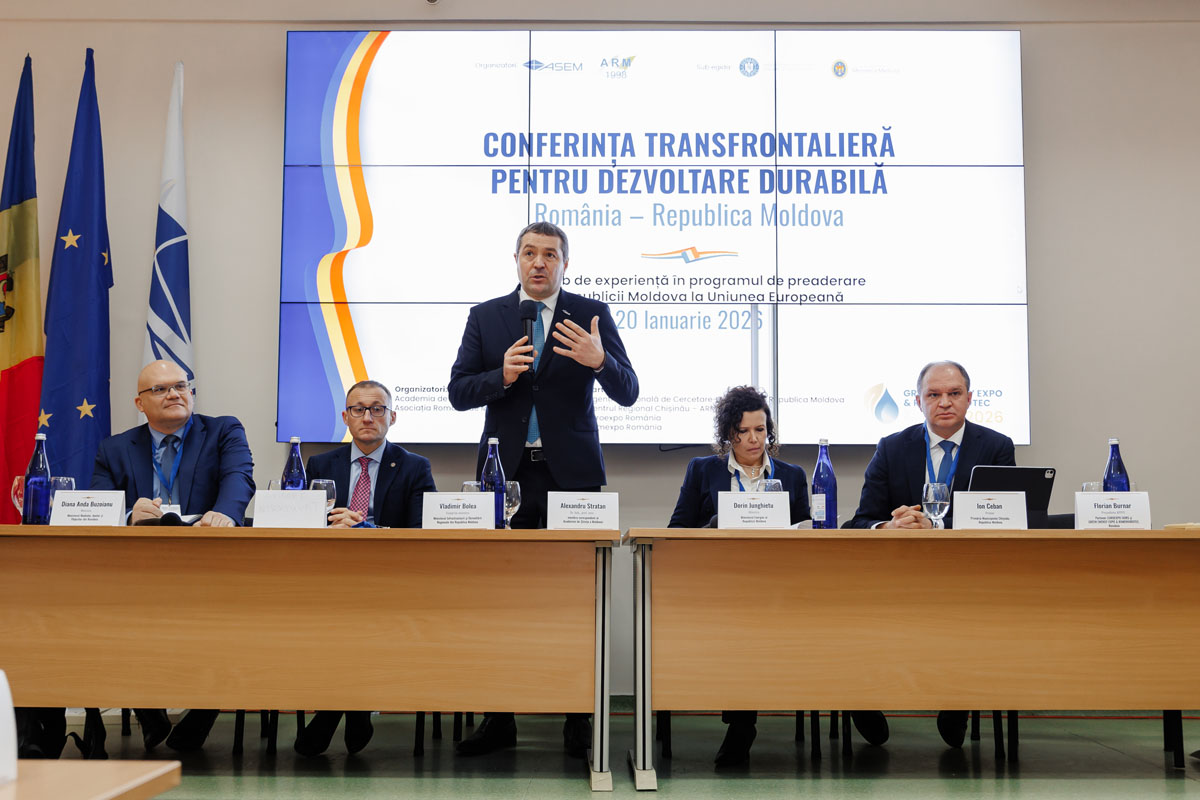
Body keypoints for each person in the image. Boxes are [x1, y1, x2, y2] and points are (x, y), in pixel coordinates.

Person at [447, 221, 638, 758]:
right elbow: (458, 392)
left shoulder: (590, 313)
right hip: (503, 477)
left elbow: (629, 391)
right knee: (499, 601)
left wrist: (600, 361)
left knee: (580, 601)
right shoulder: (486, 316)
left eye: (550, 254)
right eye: (529, 253)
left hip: (572, 480)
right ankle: (499, 718)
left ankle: (579, 718)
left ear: (564, 264)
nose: (539, 262)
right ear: (516, 260)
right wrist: (501, 377)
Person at [667, 386, 888, 765]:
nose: (754, 439)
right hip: (724, 587)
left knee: (835, 611)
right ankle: (742, 724)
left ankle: (854, 696)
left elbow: (808, 535)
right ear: (728, 434)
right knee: (744, 623)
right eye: (744, 431)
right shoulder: (702, 470)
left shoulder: (792, 475)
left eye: (761, 430)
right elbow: (676, 531)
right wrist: (716, 525)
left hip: (782, 585)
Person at [845, 360, 1016, 747]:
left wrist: (937, 527)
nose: (945, 402)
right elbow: (861, 521)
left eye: (954, 394)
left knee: (975, 615)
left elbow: (1004, 520)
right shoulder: (892, 448)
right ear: (918, 401)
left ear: (970, 399)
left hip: (966, 576)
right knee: (852, 610)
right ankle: (862, 699)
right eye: (934, 395)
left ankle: (957, 703)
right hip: (897, 576)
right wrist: (888, 528)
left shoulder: (996, 447)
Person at [91, 359, 256, 753]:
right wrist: (128, 514)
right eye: (160, 389)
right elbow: (99, 504)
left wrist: (225, 513)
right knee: (108, 618)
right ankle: (149, 711)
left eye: (181, 386)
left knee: (229, 624)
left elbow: (239, 477)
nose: (174, 394)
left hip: (209, 562)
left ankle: (200, 716)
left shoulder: (223, 430)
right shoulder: (115, 447)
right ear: (140, 403)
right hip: (138, 569)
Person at [293, 379, 436, 757]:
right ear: (346, 417)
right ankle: (356, 706)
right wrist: (329, 527)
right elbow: (299, 523)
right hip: (330, 578)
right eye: (358, 409)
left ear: (392, 416)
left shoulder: (414, 466)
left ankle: (332, 712)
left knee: (359, 616)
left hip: (389, 580)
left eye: (377, 409)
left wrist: (368, 530)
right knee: (334, 614)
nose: (367, 417)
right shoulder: (320, 464)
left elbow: (422, 532)